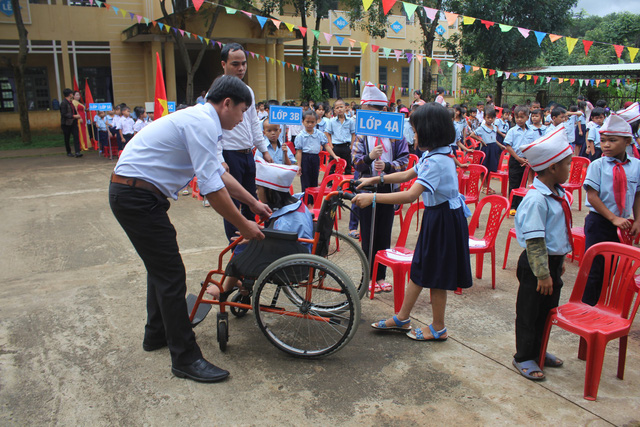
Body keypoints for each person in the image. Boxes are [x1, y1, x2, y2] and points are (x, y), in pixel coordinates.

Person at [109, 75, 271, 383]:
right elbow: (211, 189)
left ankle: (155, 334)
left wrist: (253, 203)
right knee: (171, 274)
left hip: (139, 195)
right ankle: (185, 358)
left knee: (161, 268)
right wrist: (244, 225)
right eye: (242, 111)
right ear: (227, 104)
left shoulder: (204, 122)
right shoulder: (202, 123)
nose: (242, 120)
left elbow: (219, 174)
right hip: (135, 196)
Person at [353, 102, 471, 339]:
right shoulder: (433, 153)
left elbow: (410, 194)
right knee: (420, 268)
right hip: (436, 216)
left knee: (436, 276)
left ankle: (438, 327)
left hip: (443, 220)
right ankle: (402, 317)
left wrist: (372, 198)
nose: (413, 136)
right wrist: (375, 180)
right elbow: (407, 174)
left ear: (429, 132)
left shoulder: (438, 161)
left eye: (416, 132)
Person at [512, 128, 574, 381]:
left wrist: (559, 261)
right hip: (537, 265)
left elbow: (557, 233)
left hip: (551, 263)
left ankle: (539, 349)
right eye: (567, 164)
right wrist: (542, 273)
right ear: (552, 168)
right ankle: (524, 356)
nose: (570, 168)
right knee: (529, 312)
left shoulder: (558, 193)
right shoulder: (537, 199)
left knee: (546, 311)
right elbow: (535, 240)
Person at [207, 159, 313, 299]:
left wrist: (256, 238)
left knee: (241, 251)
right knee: (245, 243)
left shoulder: (284, 221)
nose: (256, 192)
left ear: (270, 191)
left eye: (258, 189)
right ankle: (243, 287)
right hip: (299, 253)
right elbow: (283, 236)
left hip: (289, 265)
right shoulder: (297, 206)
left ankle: (224, 290)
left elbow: (279, 244)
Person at [352, 83, 409, 293]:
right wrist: (369, 157)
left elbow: (405, 160)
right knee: (367, 232)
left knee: (384, 233)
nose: (367, 116)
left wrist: (387, 165)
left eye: (371, 112)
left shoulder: (396, 134)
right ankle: (368, 276)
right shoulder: (361, 134)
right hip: (367, 187)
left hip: (388, 189)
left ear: (383, 112)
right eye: (365, 112)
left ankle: (381, 275)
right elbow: (355, 162)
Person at [217, 43, 273, 244]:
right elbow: (212, 128)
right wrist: (218, 157)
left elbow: (253, 124)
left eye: (243, 64)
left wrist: (264, 150)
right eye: (235, 64)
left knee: (251, 200)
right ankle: (235, 249)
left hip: (248, 154)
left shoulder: (247, 91)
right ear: (224, 64)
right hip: (228, 155)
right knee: (232, 204)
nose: (240, 68)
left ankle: (251, 245)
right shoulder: (218, 91)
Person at [582, 114, 640, 306]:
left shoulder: (637, 166)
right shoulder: (597, 165)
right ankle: (587, 307)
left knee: (614, 268)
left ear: (627, 142)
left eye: (612, 141)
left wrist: (637, 220)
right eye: (604, 140)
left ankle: (601, 304)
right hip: (599, 223)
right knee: (595, 269)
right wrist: (613, 218)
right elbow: (592, 196)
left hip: (623, 225)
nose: (606, 145)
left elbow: (637, 195)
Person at [295, 110, 339, 197]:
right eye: (307, 122)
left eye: (312, 122)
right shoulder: (300, 136)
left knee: (314, 179)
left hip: (315, 158)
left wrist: (334, 155)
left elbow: (326, 145)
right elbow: (299, 151)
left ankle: (313, 201)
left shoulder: (319, 134)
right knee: (305, 180)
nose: (310, 124)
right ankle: (305, 201)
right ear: (303, 122)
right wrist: (299, 165)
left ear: (316, 122)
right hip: (305, 158)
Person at [470, 107, 503, 190]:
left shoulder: (494, 128)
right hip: (486, 149)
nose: (490, 119)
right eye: (488, 117)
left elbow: (494, 139)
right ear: (484, 118)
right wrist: (481, 140)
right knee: (483, 168)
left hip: (494, 149)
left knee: (490, 168)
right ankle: (484, 186)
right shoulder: (482, 128)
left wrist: (500, 145)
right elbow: (472, 134)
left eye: (492, 118)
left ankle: (487, 186)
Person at [325, 99, 356, 173]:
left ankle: (347, 184)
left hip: (346, 146)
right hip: (336, 146)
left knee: (348, 165)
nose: (339, 109)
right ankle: (330, 183)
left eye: (341, 107)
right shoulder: (332, 121)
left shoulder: (350, 121)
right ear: (334, 110)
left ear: (345, 107)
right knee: (332, 165)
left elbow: (353, 134)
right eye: (337, 108)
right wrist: (331, 144)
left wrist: (352, 145)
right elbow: (328, 133)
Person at [60, 88, 82, 158]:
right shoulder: (63, 103)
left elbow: (74, 111)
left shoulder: (71, 102)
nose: (72, 95)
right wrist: (73, 116)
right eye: (72, 94)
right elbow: (63, 114)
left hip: (73, 122)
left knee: (76, 136)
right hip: (66, 123)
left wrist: (77, 116)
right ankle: (68, 151)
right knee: (67, 138)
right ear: (70, 95)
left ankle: (77, 152)